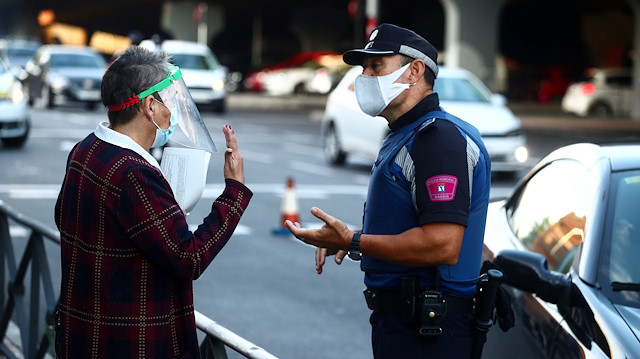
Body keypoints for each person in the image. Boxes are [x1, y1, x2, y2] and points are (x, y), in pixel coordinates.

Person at [286, 23, 491, 358]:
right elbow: (411, 225)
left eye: (376, 66)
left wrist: (351, 241)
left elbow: (442, 245)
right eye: (363, 67)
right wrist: (353, 237)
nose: (363, 76)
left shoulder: (438, 140)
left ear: (415, 71)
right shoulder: (405, 133)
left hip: (430, 331)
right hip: (407, 323)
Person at [54, 46, 252, 358]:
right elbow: (190, 258)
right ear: (149, 106)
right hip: (129, 344)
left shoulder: (85, 149)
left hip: (83, 337)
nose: (173, 111)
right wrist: (234, 192)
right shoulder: (134, 173)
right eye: (170, 101)